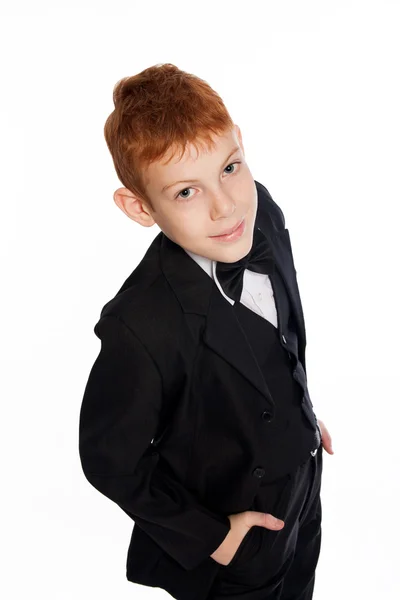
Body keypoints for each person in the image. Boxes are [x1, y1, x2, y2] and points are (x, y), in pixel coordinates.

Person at [78, 63, 333, 600]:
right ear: (139, 207)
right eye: (186, 193)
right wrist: (213, 537)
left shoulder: (261, 213)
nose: (226, 206)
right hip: (233, 541)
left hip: (303, 493)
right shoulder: (140, 325)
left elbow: (278, 332)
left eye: (230, 168)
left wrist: (300, 411)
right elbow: (109, 459)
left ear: (240, 144)